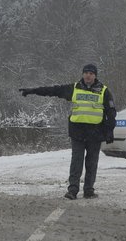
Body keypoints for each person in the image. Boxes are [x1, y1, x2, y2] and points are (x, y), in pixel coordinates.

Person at [17, 63, 116, 200]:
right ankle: (73, 190)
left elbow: (111, 112)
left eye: (91, 73)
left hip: (95, 133)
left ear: (95, 76)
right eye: (86, 72)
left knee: (92, 163)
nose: (88, 75)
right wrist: (33, 90)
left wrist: (109, 131)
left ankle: (88, 190)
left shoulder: (104, 91)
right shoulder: (74, 88)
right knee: (76, 161)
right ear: (82, 74)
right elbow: (53, 90)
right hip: (78, 133)